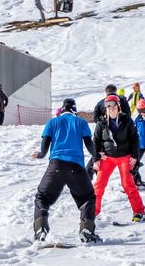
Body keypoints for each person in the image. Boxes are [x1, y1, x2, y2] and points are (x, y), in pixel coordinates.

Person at [31, 98, 100, 243]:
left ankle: (40, 228)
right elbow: (89, 144)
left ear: (62, 109)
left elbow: (44, 146)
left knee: (42, 197)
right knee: (87, 198)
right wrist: (97, 156)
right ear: (74, 110)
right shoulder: (81, 122)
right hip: (76, 167)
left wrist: (40, 155)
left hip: (55, 166)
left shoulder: (52, 122)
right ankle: (86, 229)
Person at [91, 95, 145, 222]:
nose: (111, 108)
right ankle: (92, 212)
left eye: (113, 105)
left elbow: (135, 139)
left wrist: (135, 156)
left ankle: (139, 212)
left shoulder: (126, 120)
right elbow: (96, 141)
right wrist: (96, 157)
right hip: (108, 158)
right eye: (108, 106)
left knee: (128, 184)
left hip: (124, 157)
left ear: (118, 106)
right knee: (98, 185)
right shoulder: (101, 123)